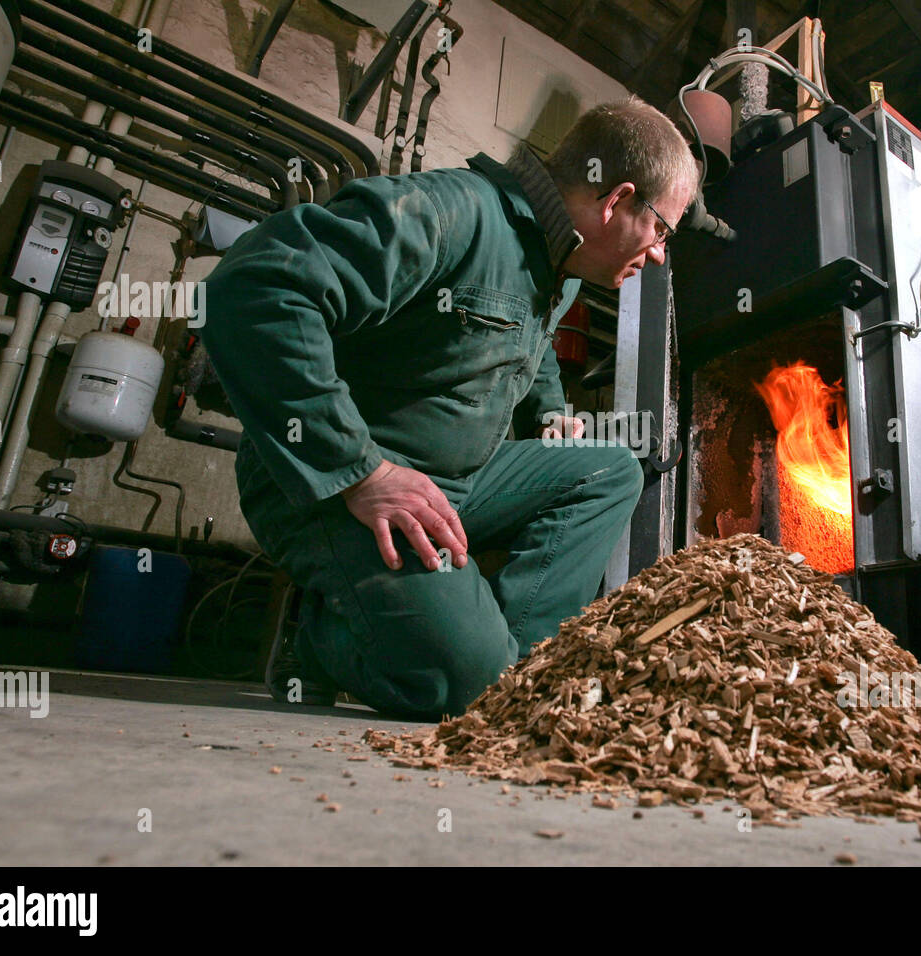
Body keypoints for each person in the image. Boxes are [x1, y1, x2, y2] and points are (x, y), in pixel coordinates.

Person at [200, 96, 698, 718]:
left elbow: (529, 342)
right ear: (616, 200)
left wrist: (548, 411)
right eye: (662, 230)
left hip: (454, 480)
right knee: (465, 685)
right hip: (338, 484)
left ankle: (522, 670)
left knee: (610, 470)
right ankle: (323, 642)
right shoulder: (452, 213)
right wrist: (361, 471)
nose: (657, 253)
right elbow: (257, 287)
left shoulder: (558, 262)